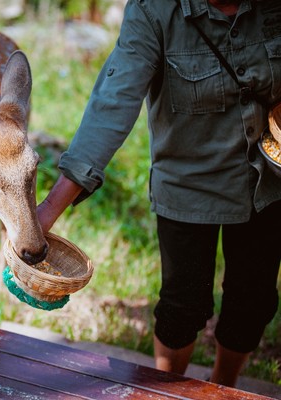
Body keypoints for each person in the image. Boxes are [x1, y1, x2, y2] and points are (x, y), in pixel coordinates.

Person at [36, 0, 281, 388]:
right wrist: (48, 209)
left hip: (268, 179)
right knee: (182, 308)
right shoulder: (153, 11)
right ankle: (166, 391)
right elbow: (112, 104)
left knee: (252, 303)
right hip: (188, 185)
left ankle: (224, 385)